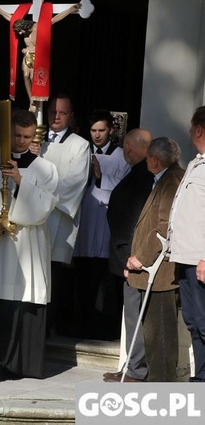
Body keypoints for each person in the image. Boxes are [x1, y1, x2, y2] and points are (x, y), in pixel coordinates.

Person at [0, 109, 58, 380]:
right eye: (17, 135)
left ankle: (23, 365)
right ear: (9, 134)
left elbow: (45, 206)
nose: (21, 141)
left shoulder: (45, 169)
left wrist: (20, 181)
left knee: (25, 300)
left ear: (35, 136)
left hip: (27, 245)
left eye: (27, 136)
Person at [125, 137, 183, 382]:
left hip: (159, 271)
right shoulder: (166, 178)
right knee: (153, 334)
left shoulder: (171, 180)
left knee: (160, 335)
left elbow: (164, 226)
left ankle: (163, 391)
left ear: (155, 160)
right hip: (153, 270)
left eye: (148, 157)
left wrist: (140, 258)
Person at [72, 110, 130, 339]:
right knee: (83, 275)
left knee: (104, 277)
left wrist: (100, 176)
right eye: (93, 131)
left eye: (101, 130)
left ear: (111, 131)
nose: (97, 135)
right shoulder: (81, 151)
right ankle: (82, 322)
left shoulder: (121, 157)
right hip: (85, 223)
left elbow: (123, 189)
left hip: (106, 225)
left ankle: (106, 326)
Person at [37, 94, 91, 336]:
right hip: (33, 219)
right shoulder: (35, 141)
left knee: (54, 276)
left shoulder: (80, 145)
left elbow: (74, 184)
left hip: (59, 220)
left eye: (62, 113)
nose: (56, 117)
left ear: (71, 116)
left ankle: (49, 327)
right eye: (52, 112)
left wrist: (39, 195)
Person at [103, 128, 153, 383]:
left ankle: (135, 369)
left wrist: (127, 258)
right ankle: (132, 367)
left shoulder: (144, 177)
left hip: (133, 259)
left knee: (135, 314)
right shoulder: (140, 174)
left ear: (129, 149)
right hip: (130, 256)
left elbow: (134, 221)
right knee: (132, 314)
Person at [168, 106, 205, 382]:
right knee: (193, 322)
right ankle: (199, 378)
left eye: (192, 127)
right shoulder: (196, 163)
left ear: (199, 130)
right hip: (185, 256)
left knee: (204, 322)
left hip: (200, 259)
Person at [0, 4, 81, 104]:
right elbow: (11, 18)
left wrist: (70, 10)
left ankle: (35, 98)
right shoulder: (24, 32)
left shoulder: (38, 27)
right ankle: (31, 99)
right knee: (25, 76)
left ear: (24, 26)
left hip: (37, 57)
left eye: (20, 31)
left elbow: (54, 19)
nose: (20, 33)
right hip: (27, 56)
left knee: (32, 78)